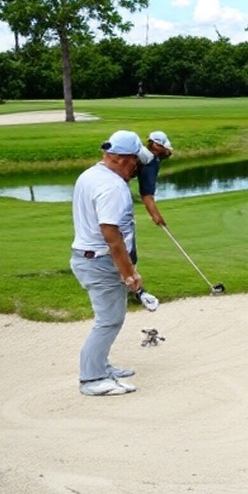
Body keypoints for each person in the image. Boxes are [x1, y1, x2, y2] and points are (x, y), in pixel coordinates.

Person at [70, 130, 154, 396]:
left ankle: (101, 366)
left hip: (89, 257)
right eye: (135, 161)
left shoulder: (91, 174)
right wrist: (129, 274)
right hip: (100, 261)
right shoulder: (113, 187)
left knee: (109, 318)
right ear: (122, 159)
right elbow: (112, 236)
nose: (136, 167)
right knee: (109, 321)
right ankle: (92, 379)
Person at [133, 130, 173, 263]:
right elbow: (147, 195)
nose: (167, 151)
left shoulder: (147, 155)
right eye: (164, 148)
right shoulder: (151, 162)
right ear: (156, 145)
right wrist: (156, 216)